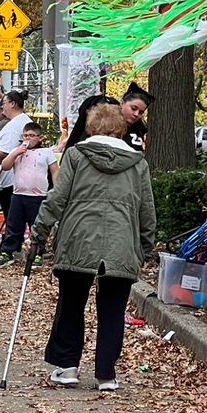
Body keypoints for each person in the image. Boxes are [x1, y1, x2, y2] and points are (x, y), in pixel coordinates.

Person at [32, 105, 156, 392]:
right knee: (113, 309)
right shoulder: (138, 163)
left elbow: (57, 198)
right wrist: (144, 247)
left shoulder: (76, 156)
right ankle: (106, 374)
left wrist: (39, 233)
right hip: (121, 243)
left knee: (71, 303)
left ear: (91, 128)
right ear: (121, 129)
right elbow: (147, 210)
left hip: (78, 239)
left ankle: (67, 367)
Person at [0, 122, 59, 267]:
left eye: (31, 136)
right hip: (18, 194)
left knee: (37, 225)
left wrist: (56, 189)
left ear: (40, 138)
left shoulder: (46, 152)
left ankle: (38, 252)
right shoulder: (17, 151)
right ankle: (8, 251)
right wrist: (16, 152)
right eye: (25, 136)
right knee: (14, 225)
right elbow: (5, 166)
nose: (28, 139)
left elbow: (54, 171)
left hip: (38, 196)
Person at [0, 90, 32, 217]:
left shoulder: (15, 126)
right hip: (13, 179)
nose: (2, 107)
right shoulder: (19, 122)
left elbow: (4, 152)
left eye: (4, 103)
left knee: (12, 219)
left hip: (11, 181)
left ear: (12, 104)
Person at [120, 82, 154, 152]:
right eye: (133, 108)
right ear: (122, 103)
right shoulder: (105, 125)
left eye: (141, 112)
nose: (136, 114)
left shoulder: (141, 130)